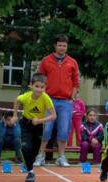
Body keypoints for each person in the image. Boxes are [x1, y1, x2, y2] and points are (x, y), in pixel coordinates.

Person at [34, 34, 80, 167]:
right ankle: (40, 156)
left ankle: (61, 157)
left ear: (67, 47)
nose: (62, 47)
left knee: (64, 130)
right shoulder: (46, 60)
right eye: (59, 45)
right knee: (47, 129)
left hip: (66, 102)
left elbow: (76, 82)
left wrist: (72, 97)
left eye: (64, 45)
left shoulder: (72, 62)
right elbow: (39, 79)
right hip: (49, 100)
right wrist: (41, 96)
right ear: (55, 46)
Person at [12, 73, 56, 182]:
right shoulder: (26, 96)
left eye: (42, 87)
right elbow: (17, 100)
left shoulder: (46, 98)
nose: (39, 90)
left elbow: (53, 115)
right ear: (31, 86)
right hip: (26, 124)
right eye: (37, 86)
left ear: (45, 88)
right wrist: (15, 115)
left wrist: (40, 121)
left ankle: (29, 163)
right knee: (26, 147)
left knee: (35, 150)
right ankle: (30, 172)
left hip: (38, 126)